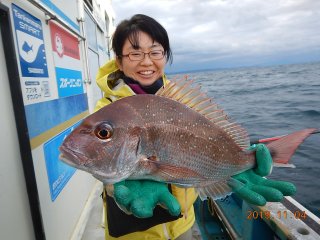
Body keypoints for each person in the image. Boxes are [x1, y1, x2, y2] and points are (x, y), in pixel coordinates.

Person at [93, 14, 296, 240]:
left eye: (155, 51)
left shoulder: (183, 100)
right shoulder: (107, 111)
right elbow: (98, 157)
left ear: (165, 55)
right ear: (119, 61)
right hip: (132, 232)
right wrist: (114, 186)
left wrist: (240, 159)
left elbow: (212, 134)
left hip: (182, 222)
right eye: (135, 53)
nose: (146, 61)